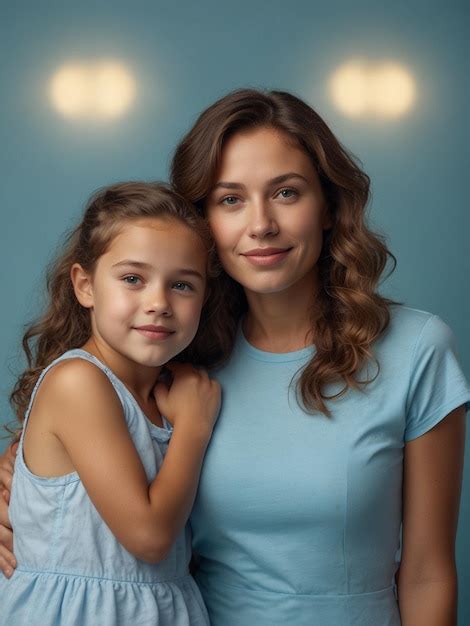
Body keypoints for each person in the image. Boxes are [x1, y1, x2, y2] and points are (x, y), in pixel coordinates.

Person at [1, 89, 470, 626]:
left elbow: (429, 572)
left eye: (287, 193)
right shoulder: (178, 356)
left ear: (329, 207)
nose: (261, 224)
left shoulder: (415, 349)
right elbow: (68, 464)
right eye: (230, 200)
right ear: (201, 228)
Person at [0, 182, 221, 625]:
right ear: (85, 286)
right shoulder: (78, 382)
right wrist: (194, 428)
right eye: (132, 279)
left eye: (181, 284)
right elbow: (150, 537)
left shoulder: (173, 394)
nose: (158, 303)